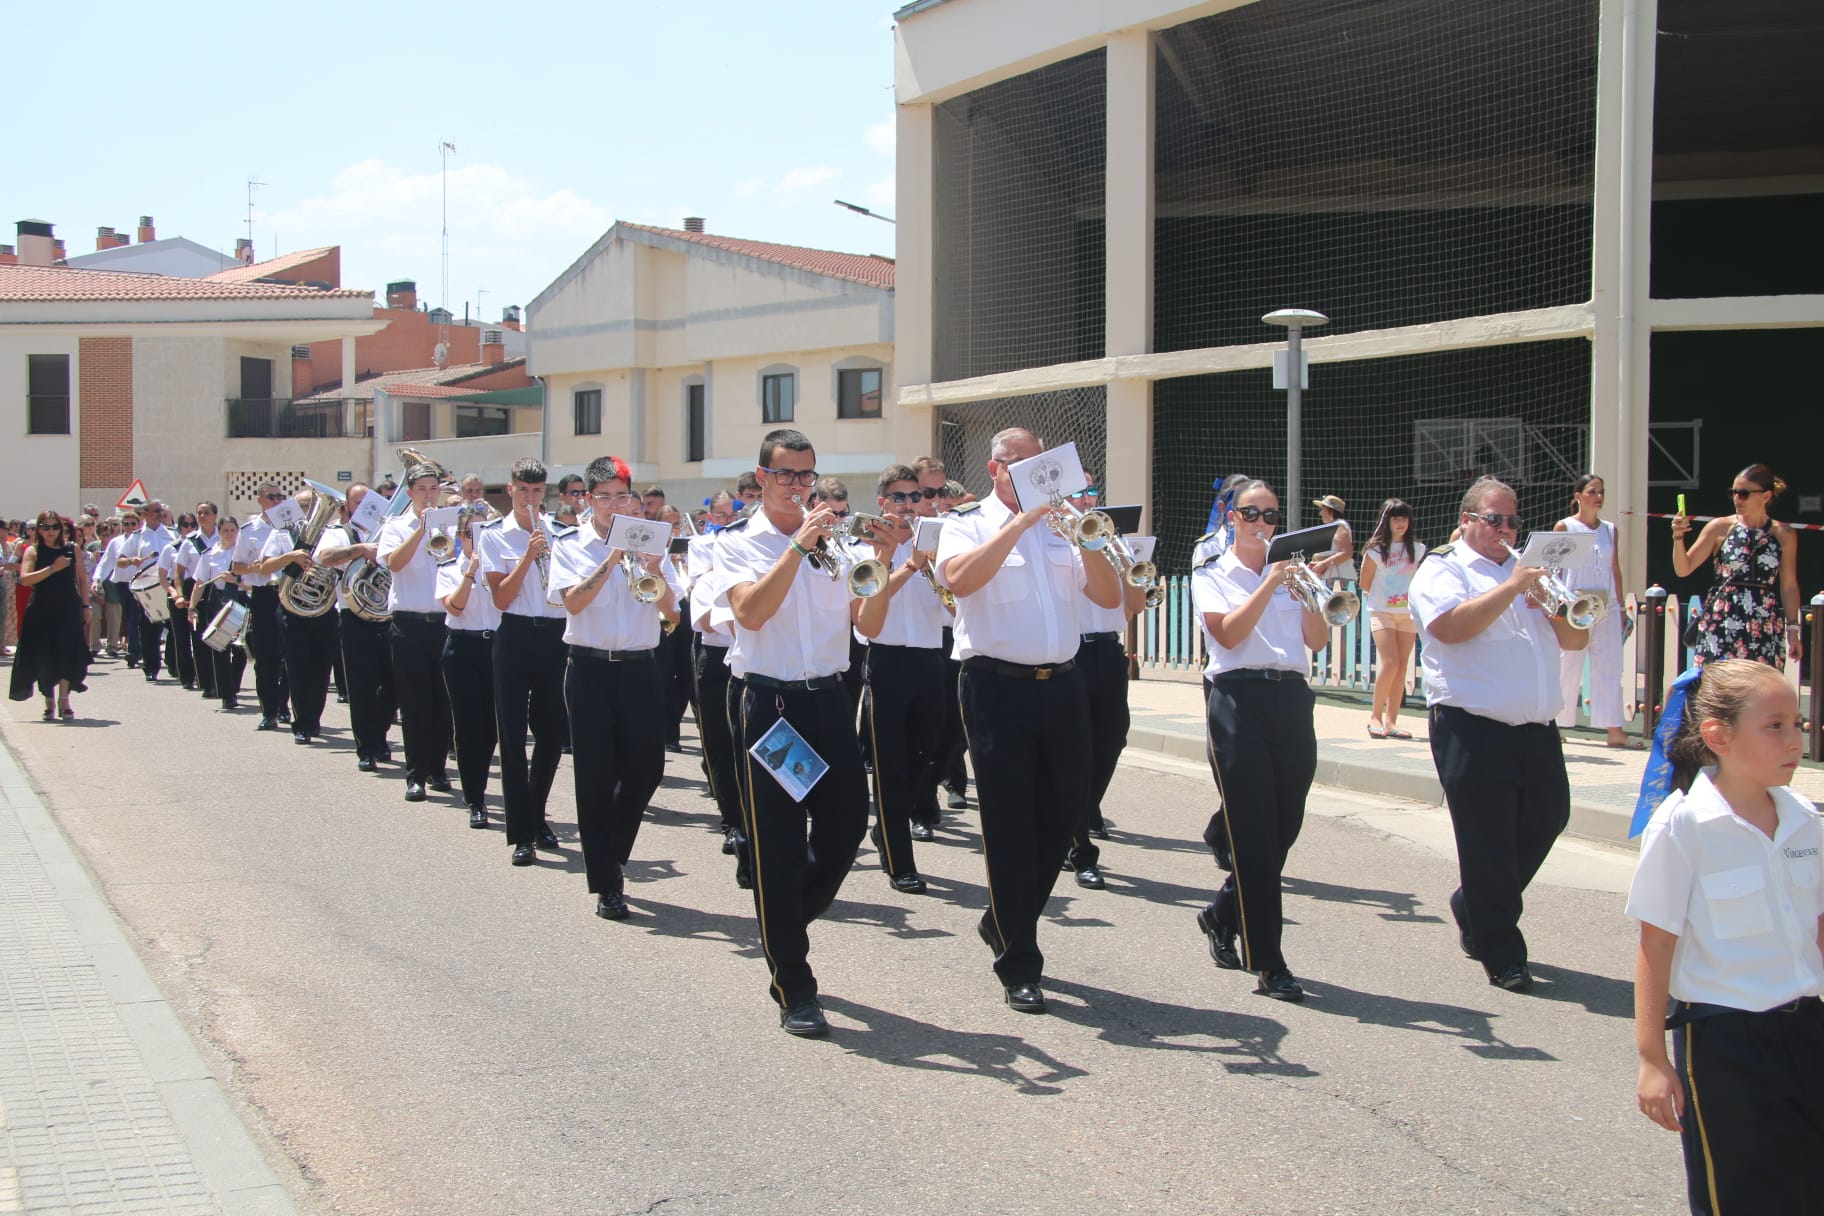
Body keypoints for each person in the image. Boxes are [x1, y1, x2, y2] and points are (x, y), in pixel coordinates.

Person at [935, 427, 1123, 1014]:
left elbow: (1110, 597)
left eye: (1042, 463)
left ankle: (1003, 917)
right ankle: (1020, 958)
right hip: (995, 687)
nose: (1037, 474)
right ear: (996, 470)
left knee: (1066, 815)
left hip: (1062, 685)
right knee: (1011, 825)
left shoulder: (1063, 526)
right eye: (1022, 465)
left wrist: (1084, 530)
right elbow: (958, 579)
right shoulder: (967, 522)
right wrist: (1019, 522)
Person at [711, 428, 892, 1036]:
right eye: (787, 475)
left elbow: (866, 619)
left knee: (846, 826)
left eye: (807, 475)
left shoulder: (834, 546)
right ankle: (794, 984)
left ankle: (781, 917)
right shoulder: (737, 543)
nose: (798, 486)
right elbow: (751, 613)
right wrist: (797, 546)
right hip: (771, 704)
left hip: (828, 700)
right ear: (761, 478)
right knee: (779, 845)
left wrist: (885, 564)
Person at [1627, 658, 1824, 1215]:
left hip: (1808, 1028)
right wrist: (1652, 1058)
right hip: (1726, 1046)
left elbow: (1817, 926)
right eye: (1776, 726)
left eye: (1799, 725)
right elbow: (1656, 943)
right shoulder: (1683, 825)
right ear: (1719, 735)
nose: (1795, 740)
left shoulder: (1805, 819)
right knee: (1741, 1196)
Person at [1409, 476, 1589, 992]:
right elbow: (1448, 628)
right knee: (1487, 839)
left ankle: (1475, 905)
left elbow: (1576, 637)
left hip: (1535, 726)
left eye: (1513, 520)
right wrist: (1511, 588)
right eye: (1495, 519)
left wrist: (1552, 603)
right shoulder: (1443, 568)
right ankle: (1501, 948)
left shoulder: (1531, 572)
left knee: (1549, 817)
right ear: (1467, 520)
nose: (1506, 530)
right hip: (1472, 724)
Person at [1188, 481, 1330, 1001]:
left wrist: (1309, 592)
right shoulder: (1212, 572)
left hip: (1292, 697)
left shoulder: (1291, 571)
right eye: (1251, 512)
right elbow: (1227, 634)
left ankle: (1222, 912)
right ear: (1231, 517)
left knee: (1283, 827)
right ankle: (1268, 961)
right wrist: (1269, 584)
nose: (1262, 522)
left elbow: (1317, 640)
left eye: (1270, 515)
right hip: (1238, 698)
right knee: (1252, 831)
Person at [552, 456, 683, 919]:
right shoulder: (570, 543)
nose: (613, 504)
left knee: (647, 769)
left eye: (621, 496)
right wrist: (611, 558)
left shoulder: (652, 541)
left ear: (632, 498)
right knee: (594, 777)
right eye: (603, 497)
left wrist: (654, 566)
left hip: (640, 667)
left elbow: (673, 613)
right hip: (589, 669)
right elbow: (572, 602)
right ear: (588, 500)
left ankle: (613, 851)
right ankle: (606, 881)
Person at [853, 464, 950, 895]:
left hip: (931, 659)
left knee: (922, 761)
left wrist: (937, 572)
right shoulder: (864, 549)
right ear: (882, 502)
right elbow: (864, 615)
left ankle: (886, 832)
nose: (909, 505)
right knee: (890, 769)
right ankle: (899, 861)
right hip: (887, 662)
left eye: (916, 497)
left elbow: (951, 608)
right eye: (900, 497)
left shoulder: (938, 542)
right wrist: (907, 565)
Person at [479, 457, 569, 865]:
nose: (531, 498)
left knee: (551, 735)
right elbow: (501, 598)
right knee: (512, 737)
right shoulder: (493, 535)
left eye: (537, 491)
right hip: (514, 632)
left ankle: (537, 813)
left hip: (554, 635)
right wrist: (527, 557)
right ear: (511, 490)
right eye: (524, 490)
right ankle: (520, 832)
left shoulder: (562, 534)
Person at [1061, 471, 1148, 889]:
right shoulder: (1057, 539)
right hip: (1069, 650)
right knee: (1076, 748)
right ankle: (1081, 850)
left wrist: (1130, 568)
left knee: (1113, 738)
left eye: (1090, 491)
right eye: (1076, 492)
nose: (1085, 499)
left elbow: (1132, 607)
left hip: (1107, 649)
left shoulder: (1115, 541)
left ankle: (1072, 815)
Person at [1672, 463, 1802, 672]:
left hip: (1764, 622)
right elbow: (1683, 568)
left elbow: (1789, 586)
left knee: (1761, 690)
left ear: (1765, 496)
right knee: (1718, 689)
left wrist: (1793, 628)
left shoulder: (1783, 534)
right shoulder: (1720, 527)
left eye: (1743, 494)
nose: (1736, 499)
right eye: (1733, 493)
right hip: (1723, 619)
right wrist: (1678, 538)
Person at [378, 463, 455, 803]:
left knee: (443, 702)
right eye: (422, 489)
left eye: (433, 488)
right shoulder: (396, 525)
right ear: (409, 493)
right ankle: (416, 775)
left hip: (444, 623)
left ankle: (438, 769)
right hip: (408, 623)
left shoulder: (451, 525)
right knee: (414, 704)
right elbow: (394, 563)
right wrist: (421, 529)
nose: (428, 494)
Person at [313, 484, 396, 773]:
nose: (362, 507)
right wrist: (360, 550)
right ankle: (367, 747)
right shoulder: (339, 532)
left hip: (388, 616)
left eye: (367, 502)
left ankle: (380, 733)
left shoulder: (391, 529)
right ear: (347, 506)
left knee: (394, 684)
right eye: (356, 502)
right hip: (353, 615)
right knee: (361, 686)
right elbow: (323, 558)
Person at [1553, 474, 1634, 747]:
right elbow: (1556, 570)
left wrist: (1621, 605)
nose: (1598, 496)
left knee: (1610, 665)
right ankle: (1556, 724)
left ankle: (1614, 729)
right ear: (1578, 496)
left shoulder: (1610, 529)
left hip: (1606, 604)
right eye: (1592, 491)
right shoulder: (1565, 526)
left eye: (1601, 492)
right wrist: (1557, 606)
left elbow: (1615, 570)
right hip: (1574, 602)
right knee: (1568, 664)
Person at [253, 489, 337, 746]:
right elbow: (265, 567)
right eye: (304, 506)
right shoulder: (282, 533)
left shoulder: (332, 534)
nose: (309, 511)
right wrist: (291, 556)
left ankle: (314, 716)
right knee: (298, 666)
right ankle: (302, 723)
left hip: (323, 606)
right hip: (291, 605)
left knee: (322, 666)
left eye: (312, 506)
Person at [9, 511, 90, 719]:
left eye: (55, 527)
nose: (51, 531)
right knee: (44, 655)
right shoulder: (33, 551)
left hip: (68, 607)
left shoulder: (72, 549)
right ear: (38, 529)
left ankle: (64, 700)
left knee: (66, 652)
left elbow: (81, 579)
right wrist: (52, 568)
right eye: (45, 527)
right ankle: (49, 701)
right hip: (41, 608)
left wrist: (85, 606)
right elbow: (26, 579)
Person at [1358, 499, 1426, 740]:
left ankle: (1391, 721)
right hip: (1381, 611)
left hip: (1406, 614)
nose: (1400, 523)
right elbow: (1364, 583)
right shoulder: (1375, 551)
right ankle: (1375, 716)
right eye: (1395, 518)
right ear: (1386, 521)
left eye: (1404, 518)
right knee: (1390, 661)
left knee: (1402, 666)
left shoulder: (1417, 549)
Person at [233, 486, 292, 730]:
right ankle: (269, 710)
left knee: (289, 654)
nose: (277, 501)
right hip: (264, 594)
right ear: (260, 500)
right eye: (271, 497)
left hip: (288, 593)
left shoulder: (291, 525)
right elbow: (236, 566)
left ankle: (283, 703)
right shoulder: (249, 530)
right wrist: (254, 568)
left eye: (280, 496)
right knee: (266, 656)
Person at [189, 516, 248, 711]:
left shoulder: (244, 554)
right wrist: (192, 606)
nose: (229, 534)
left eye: (233, 530)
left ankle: (233, 684)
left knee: (240, 650)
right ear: (219, 532)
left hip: (240, 599)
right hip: (218, 600)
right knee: (220, 647)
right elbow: (199, 583)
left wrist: (236, 580)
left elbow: (252, 583)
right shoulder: (209, 554)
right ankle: (226, 694)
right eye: (225, 531)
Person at [172, 504, 220, 700]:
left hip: (217, 588)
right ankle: (207, 682)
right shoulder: (189, 542)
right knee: (200, 637)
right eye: (199, 513)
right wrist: (180, 594)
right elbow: (178, 574)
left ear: (215, 516)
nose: (202, 516)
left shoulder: (223, 537)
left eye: (206, 513)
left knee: (221, 636)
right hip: (197, 588)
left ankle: (222, 680)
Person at [1309, 494, 1354, 583]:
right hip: (1330, 578)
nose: (1320, 513)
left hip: (1338, 579)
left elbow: (1347, 553)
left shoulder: (1339, 526)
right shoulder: (1333, 526)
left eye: (1322, 509)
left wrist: (1324, 563)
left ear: (1331, 511)